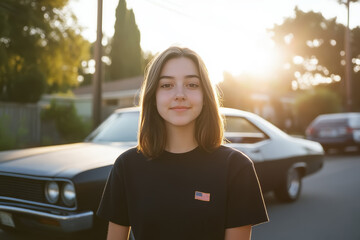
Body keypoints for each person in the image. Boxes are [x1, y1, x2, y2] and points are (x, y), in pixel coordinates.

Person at [97, 46, 268, 240]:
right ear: (153, 97)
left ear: (206, 96)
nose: (180, 94)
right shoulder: (126, 166)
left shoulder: (236, 167)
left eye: (192, 85)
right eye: (167, 85)